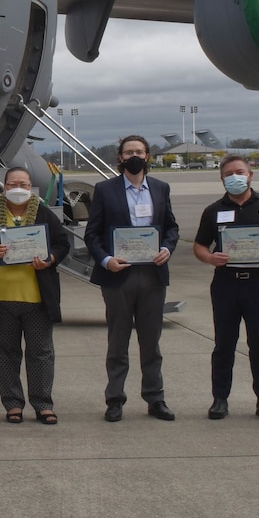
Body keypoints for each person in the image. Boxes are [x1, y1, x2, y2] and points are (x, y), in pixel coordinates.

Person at [82, 134, 178, 421]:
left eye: (139, 151)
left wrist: (167, 248)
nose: (134, 155)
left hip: (152, 274)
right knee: (118, 341)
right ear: (120, 157)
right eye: (128, 151)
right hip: (119, 275)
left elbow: (171, 228)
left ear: (147, 156)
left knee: (151, 342)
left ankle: (155, 398)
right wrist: (106, 259)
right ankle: (115, 399)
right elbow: (92, 233)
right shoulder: (104, 189)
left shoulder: (161, 188)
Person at [0, 166, 71, 423]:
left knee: (41, 353)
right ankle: (13, 404)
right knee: (4, 353)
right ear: (4, 187)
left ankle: (43, 404)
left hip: (36, 300)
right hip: (0, 300)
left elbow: (63, 244)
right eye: (13, 184)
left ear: (31, 186)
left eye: (24, 185)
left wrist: (50, 259)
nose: (18, 189)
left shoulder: (44, 215)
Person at [191, 154, 259, 420]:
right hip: (226, 283)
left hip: (258, 282)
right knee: (224, 343)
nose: (235, 177)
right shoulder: (213, 210)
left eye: (240, 172)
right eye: (229, 174)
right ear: (222, 179)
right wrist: (210, 258)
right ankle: (220, 399)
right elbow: (199, 245)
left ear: (250, 175)